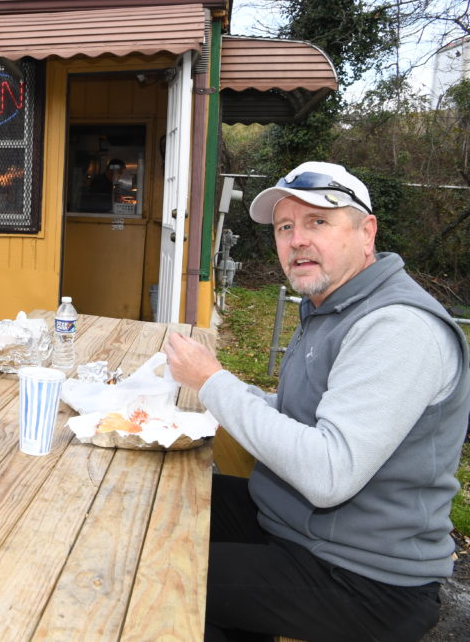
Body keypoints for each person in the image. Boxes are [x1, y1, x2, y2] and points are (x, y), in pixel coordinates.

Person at [164, 161, 470, 641]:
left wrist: (214, 383)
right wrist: (226, 397)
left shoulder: (398, 328)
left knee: (164, 572)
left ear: (366, 233)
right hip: (292, 524)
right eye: (286, 227)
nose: (297, 240)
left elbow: (329, 472)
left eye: (317, 222)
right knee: (164, 500)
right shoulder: (331, 305)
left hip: (365, 578)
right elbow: (297, 416)